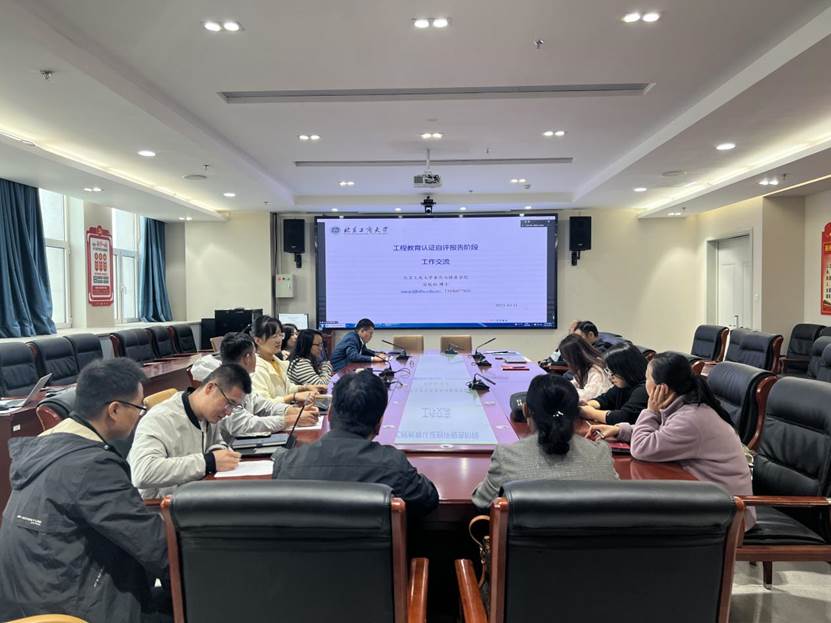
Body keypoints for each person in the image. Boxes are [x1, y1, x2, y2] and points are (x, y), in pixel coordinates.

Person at [0, 359, 170, 623]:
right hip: (71, 610)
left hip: (29, 603)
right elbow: (158, 548)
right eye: (139, 408)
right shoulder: (92, 467)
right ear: (114, 410)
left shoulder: (45, 446)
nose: (140, 416)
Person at [588, 352, 756, 529]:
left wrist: (650, 411)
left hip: (729, 513)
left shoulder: (691, 418)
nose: (645, 383)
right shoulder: (685, 406)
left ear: (662, 388)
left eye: (647, 378)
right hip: (708, 498)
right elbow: (663, 433)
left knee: (635, 520)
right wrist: (620, 430)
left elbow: (642, 448)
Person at [272, 371, 439, 517]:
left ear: (329, 414)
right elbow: (429, 499)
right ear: (379, 424)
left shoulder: (287, 463)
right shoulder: (393, 466)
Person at [472, 374, 618, 510]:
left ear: (525, 410)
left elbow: (481, 501)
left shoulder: (506, 456)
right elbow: (616, 503)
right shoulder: (601, 453)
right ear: (577, 413)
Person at [128, 364, 250, 499]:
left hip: (194, 495)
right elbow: (143, 472)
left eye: (234, 406)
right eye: (229, 403)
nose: (229, 412)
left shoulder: (209, 415)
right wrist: (208, 462)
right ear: (210, 388)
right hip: (159, 505)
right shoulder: (160, 419)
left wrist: (219, 451)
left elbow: (216, 442)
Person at [193, 332, 319, 437]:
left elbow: (262, 405)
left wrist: (292, 411)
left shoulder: (239, 379)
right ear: (247, 358)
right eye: (255, 354)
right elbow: (244, 424)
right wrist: (291, 419)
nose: (257, 358)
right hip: (232, 446)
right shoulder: (224, 384)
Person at [250, 315, 325, 402]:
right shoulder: (256, 368)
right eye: (274, 336)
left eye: (280, 335)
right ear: (258, 340)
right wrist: (294, 396)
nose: (279, 340)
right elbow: (263, 404)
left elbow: (287, 388)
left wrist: (305, 387)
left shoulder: (274, 361)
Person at [580, 343, 649, 425]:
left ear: (627, 369)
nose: (610, 377)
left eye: (612, 372)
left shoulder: (644, 389)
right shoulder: (624, 385)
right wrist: (587, 405)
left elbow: (624, 417)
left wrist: (592, 413)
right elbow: (604, 399)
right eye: (608, 371)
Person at [558, 333, 612, 401]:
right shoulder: (584, 368)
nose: (565, 360)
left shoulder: (596, 370)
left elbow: (587, 396)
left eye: (565, 357)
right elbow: (574, 383)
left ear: (574, 357)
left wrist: (565, 392)